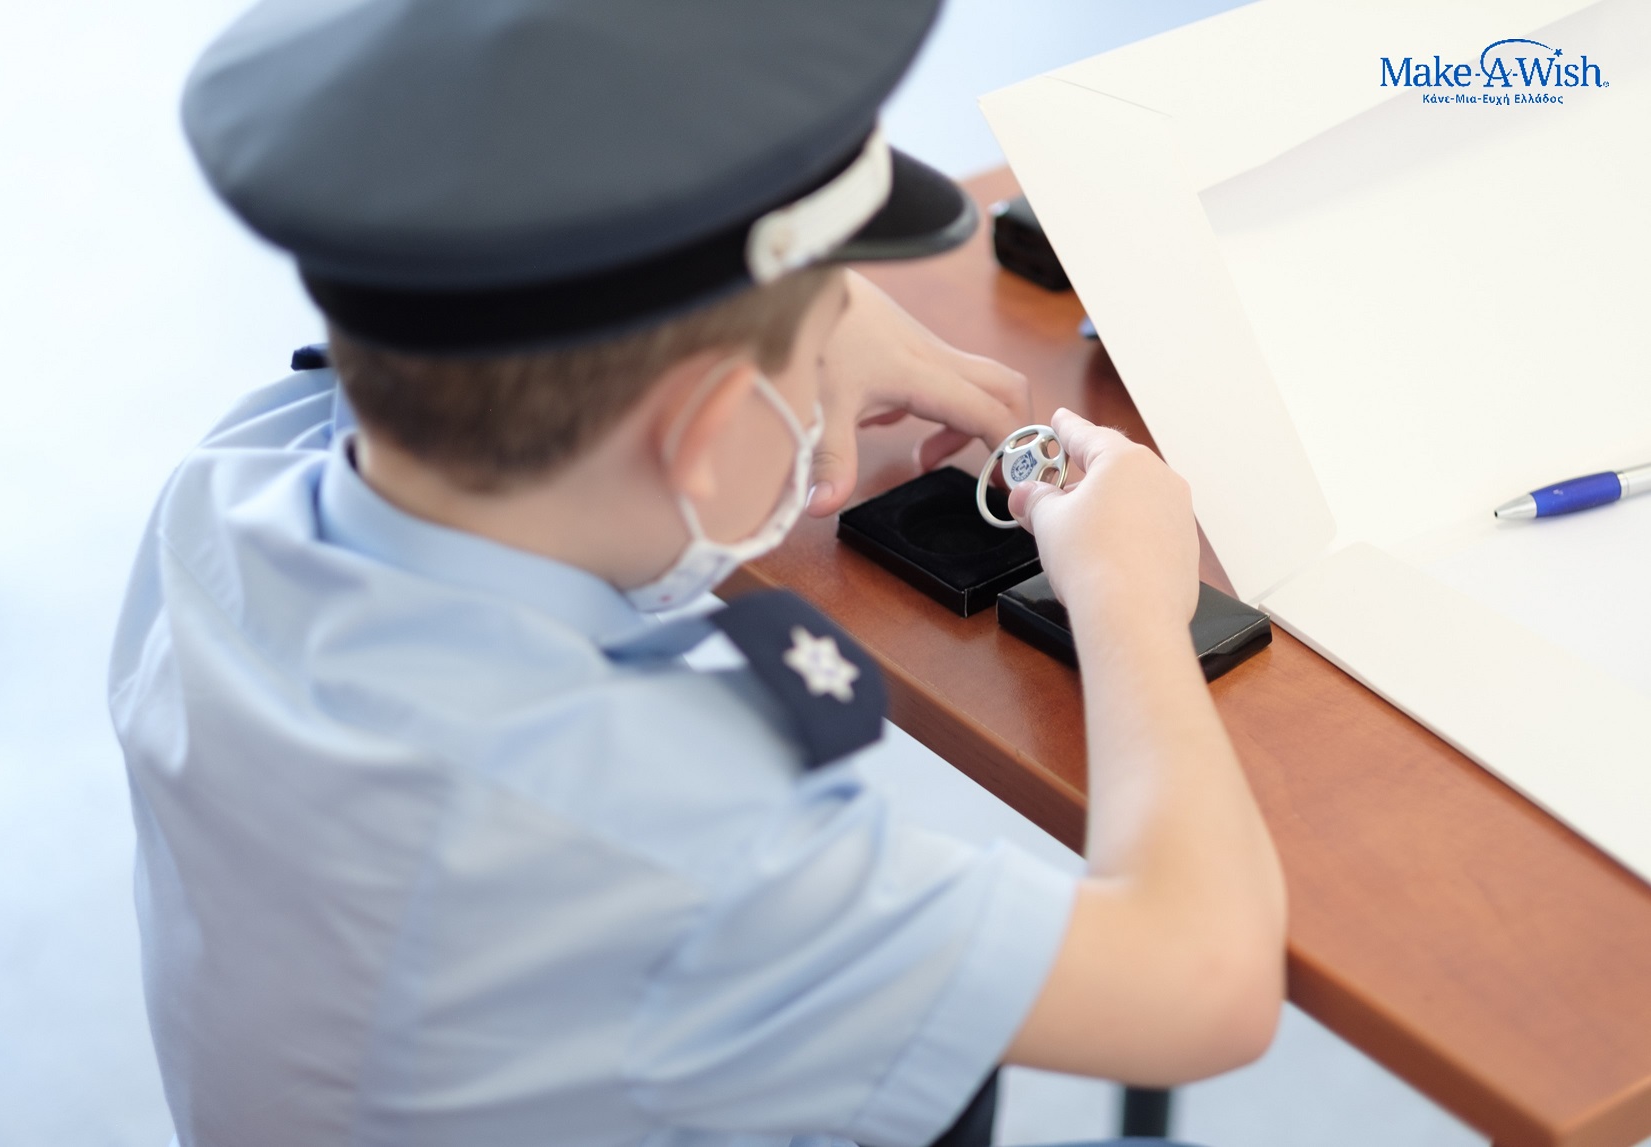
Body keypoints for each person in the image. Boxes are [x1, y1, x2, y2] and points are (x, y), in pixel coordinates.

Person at [108, 2, 1286, 1145]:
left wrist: (774, 321)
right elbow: (1206, 984)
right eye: (811, 361)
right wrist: (1128, 599)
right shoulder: (672, 840)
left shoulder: (224, 490)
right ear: (709, 435)